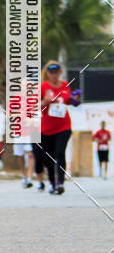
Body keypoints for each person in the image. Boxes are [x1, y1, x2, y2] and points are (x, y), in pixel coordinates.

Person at [40, 61, 73, 194]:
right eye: (51, 72)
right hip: (46, 129)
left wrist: (75, 99)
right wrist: (44, 101)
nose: (54, 75)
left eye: (56, 72)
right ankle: (52, 183)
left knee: (60, 153)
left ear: (60, 72)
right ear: (47, 73)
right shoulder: (42, 87)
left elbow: (69, 101)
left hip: (63, 126)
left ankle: (60, 183)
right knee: (48, 158)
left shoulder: (65, 85)